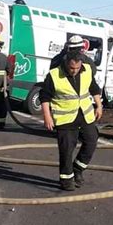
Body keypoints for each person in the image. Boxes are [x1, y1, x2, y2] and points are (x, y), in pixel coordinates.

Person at [40, 51, 102, 191]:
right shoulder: (55, 75)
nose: (74, 71)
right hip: (65, 118)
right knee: (67, 150)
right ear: (66, 63)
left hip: (84, 115)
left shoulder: (86, 71)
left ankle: (78, 169)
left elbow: (93, 88)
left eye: (77, 68)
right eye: (71, 68)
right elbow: (44, 97)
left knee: (91, 141)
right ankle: (66, 180)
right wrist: (47, 116)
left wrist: (99, 105)